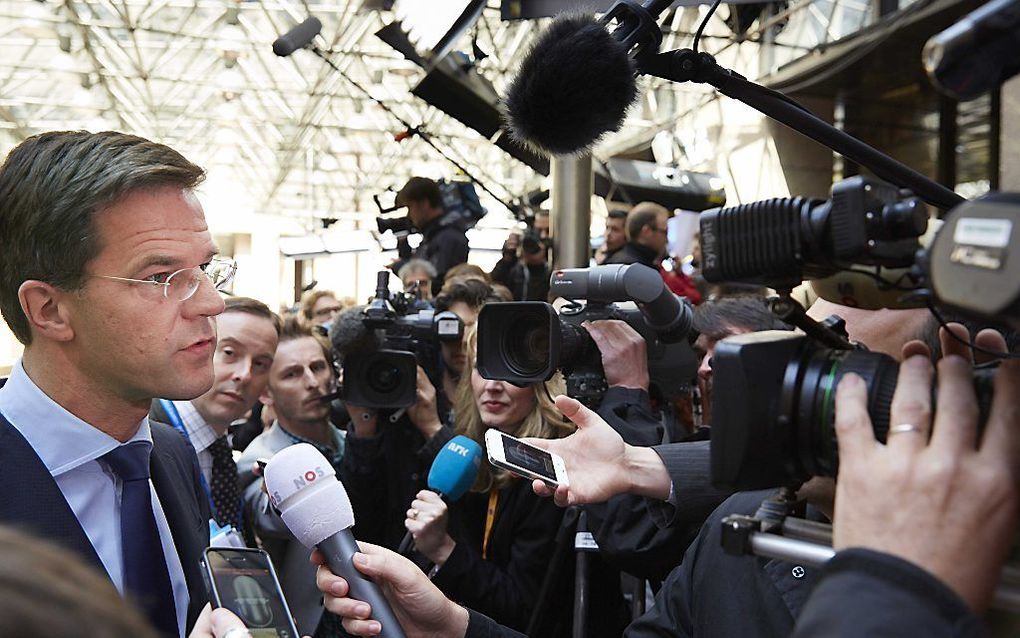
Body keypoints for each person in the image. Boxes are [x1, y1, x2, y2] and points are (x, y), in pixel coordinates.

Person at [0, 130, 230, 635]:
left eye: (206, 268)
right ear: (50, 309)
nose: (212, 303)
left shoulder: (169, 455)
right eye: (159, 277)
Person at [403, 327, 614, 634]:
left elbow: (521, 609)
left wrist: (444, 550)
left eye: (508, 370)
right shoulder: (475, 453)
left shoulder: (549, 478)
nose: (492, 385)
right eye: (481, 368)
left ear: (541, 382)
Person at [237, 317, 345, 637]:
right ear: (266, 394)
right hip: (315, 623)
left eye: (318, 367)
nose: (312, 382)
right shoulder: (259, 459)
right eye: (292, 374)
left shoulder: (355, 442)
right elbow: (269, 517)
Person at [150, 296, 280, 534]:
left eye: (261, 363)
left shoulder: (223, 455)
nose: (245, 374)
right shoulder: (142, 435)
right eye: (230, 352)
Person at [397, 177, 469, 295]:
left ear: (424, 204)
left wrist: (402, 268)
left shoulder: (448, 238)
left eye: (410, 206)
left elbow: (437, 283)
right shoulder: (435, 235)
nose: (409, 214)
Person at [605, 202, 671, 269]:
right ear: (647, 231)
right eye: (664, 232)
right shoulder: (633, 268)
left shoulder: (631, 263)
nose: (666, 239)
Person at [489, 231, 551, 302]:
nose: (531, 249)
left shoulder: (548, 270)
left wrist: (538, 265)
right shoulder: (514, 268)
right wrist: (508, 256)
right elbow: (495, 282)